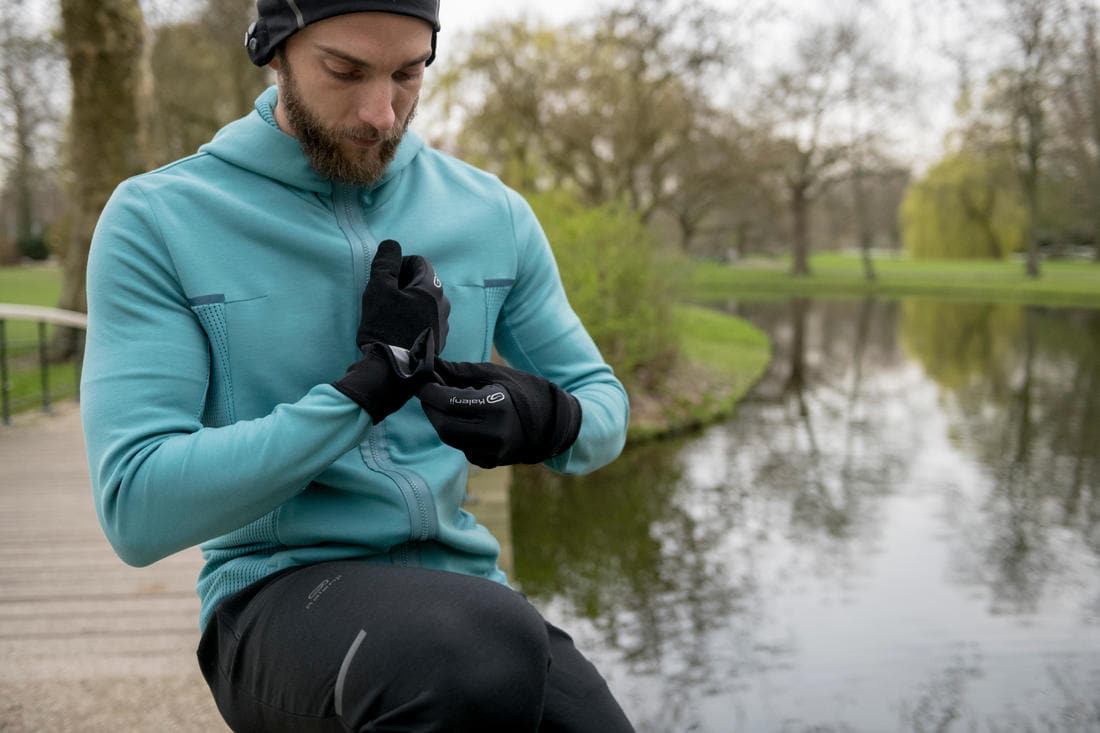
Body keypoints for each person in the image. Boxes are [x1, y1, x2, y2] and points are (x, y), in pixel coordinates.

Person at [79, 1, 634, 731]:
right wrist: (361, 392)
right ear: (274, 52)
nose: (381, 113)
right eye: (345, 71)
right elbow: (136, 506)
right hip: (277, 595)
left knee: (516, 666)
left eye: (409, 73)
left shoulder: (490, 213)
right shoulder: (162, 218)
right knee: (470, 654)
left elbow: (603, 403)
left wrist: (549, 418)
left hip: (468, 592)